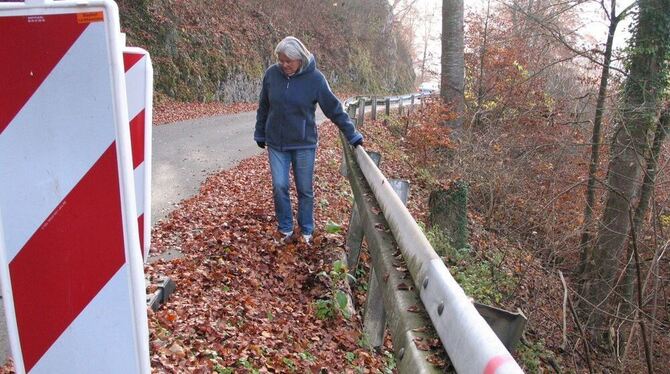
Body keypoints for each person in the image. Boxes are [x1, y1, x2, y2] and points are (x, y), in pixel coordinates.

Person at [254, 36, 363, 245]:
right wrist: (260, 132)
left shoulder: (315, 79)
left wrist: (352, 135)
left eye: (288, 61)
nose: (284, 64)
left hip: (304, 143)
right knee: (279, 185)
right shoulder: (272, 75)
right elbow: (264, 106)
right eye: (280, 60)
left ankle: (306, 230)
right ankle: (285, 228)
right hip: (276, 143)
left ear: (300, 59)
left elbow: (334, 109)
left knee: (304, 188)